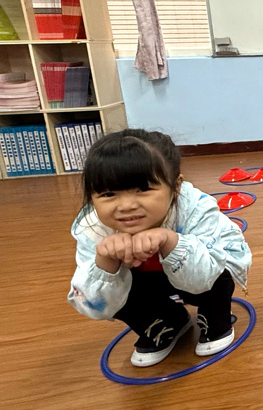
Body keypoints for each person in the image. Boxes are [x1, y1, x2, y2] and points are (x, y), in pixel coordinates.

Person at [68, 129, 251, 367]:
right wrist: (105, 263)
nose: (126, 205)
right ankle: (167, 321)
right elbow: (93, 304)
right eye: (108, 193)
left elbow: (205, 275)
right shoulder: (91, 228)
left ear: (176, 186)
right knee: (112, 288)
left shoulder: (196, 208)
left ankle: (215, 315)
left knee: (218, 273)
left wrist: (170, 241)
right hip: (147, 282)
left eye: (143, 189)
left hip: (201, 276)